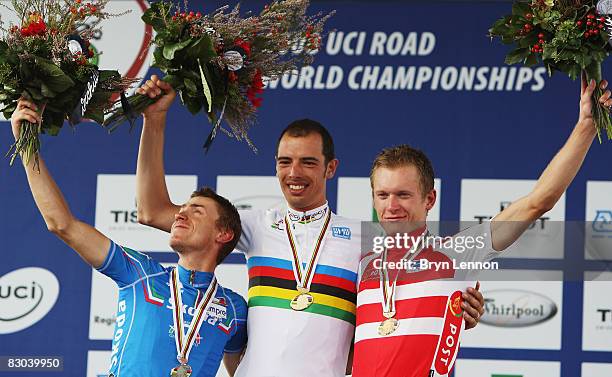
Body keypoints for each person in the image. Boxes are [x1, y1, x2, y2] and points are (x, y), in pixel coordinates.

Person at [133, 75, 485, 377]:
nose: (294, 173)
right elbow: (152, 211)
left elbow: (423, 282)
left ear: (331, 168)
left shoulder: (366, 238)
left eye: (307, 162)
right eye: (285, 162)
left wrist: (458, 307)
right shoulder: (253, 225)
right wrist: (156, 121)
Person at [352, 76, 612, 377]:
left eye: (403, 194)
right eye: (382, 195)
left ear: (429, 199)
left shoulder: (457, 254)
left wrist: (586, 127)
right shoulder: (358, 262)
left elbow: (538, 201)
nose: (391, 206)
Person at [10, 100, 248, 377]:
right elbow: (62, 224)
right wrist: (28, 149)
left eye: (196, 211)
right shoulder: (140, 274)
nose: (180, 215)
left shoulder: (234, 309)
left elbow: (242, 372)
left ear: (224, 233)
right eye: (180, 210)